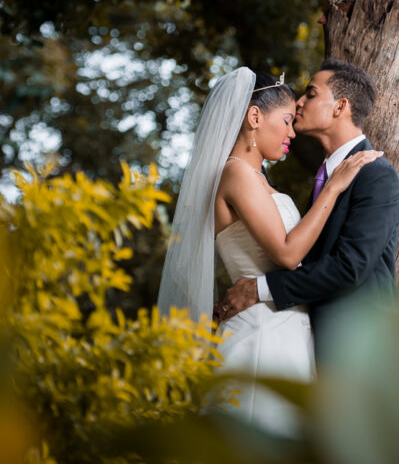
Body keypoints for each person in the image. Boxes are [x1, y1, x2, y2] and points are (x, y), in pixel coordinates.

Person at [157, 67, 380, 436]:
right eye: (287, 121)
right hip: (261, 332)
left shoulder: (257, 179)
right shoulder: (236, 174)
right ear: (255, 117)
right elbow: (288, 255)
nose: (293, 132)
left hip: (285, 329)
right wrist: (334, 188)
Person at [217, 59, 399, 361]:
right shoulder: (325, 179)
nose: (300, 102)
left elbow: (350, 266)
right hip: (298, 342)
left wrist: (259, 289)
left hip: (358, 349)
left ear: (340, 107)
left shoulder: (374, 173)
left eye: (311, 94)